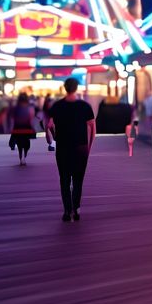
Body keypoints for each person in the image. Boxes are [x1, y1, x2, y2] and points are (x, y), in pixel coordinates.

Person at [46, 78, 95, 222]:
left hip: (63, 148)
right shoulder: (85, 106)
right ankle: (77, 208)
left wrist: (51, 140)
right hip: (81, 148)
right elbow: (92, 127)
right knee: (78, 180)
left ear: (65, 88)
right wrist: (89, 146)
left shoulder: (57, 106)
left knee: (65, 180)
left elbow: (49, 125)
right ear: (76, 88)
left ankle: (67, 210)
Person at [8, 93, 37, 166]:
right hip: (27, 128)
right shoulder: (29, 107)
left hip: (17, 128)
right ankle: (24, 156)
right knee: (26, 144)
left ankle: (21, 157)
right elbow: (32, 117)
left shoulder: (15, 108)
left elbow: (12, 118)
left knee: (19, 143)